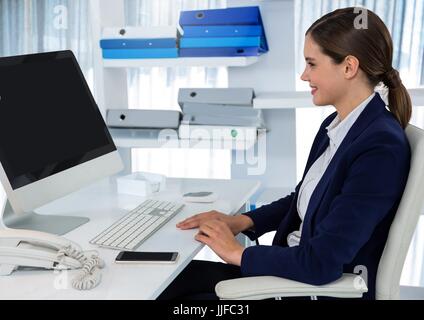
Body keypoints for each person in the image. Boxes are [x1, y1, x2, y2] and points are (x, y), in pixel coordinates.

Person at [157, 7, 411, 300]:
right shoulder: (338, 124)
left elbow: (322, 263)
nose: (304, 76)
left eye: (312, 64)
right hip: (289, 271)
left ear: (349, 67)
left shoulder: (379, 148)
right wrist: (244, 222)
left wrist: (237, 253)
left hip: (309, 287)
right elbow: (305, 199)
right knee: (166, 281)